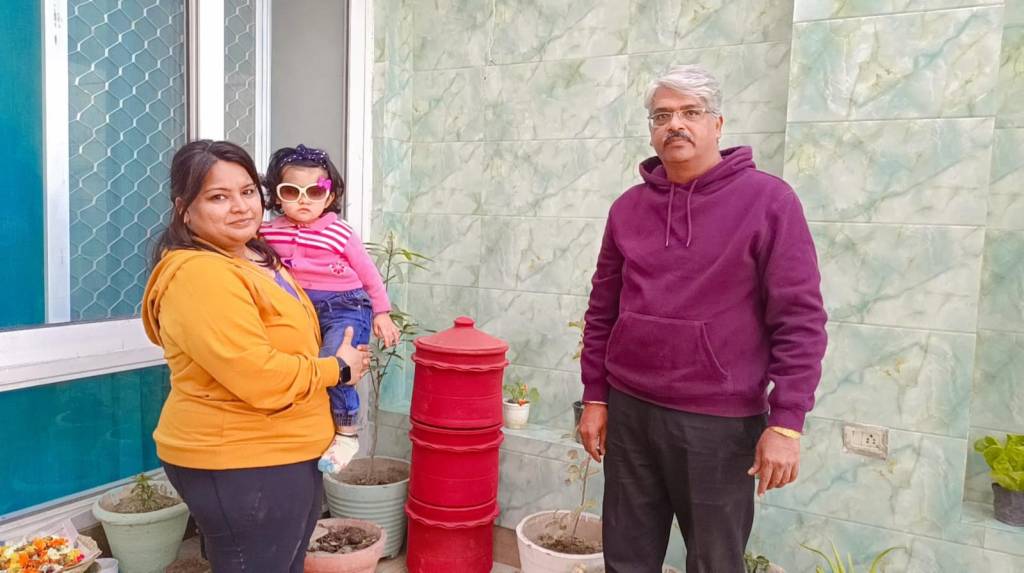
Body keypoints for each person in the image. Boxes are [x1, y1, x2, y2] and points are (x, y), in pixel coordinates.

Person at [578, 64, 828, 572]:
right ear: (652, 129)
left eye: (690, 112)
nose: (675, 124)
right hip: (631, 412)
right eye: (662, 115)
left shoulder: (769, 202)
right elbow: (602, 309)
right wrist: (596, 397)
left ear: (717, 124)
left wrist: (787, 424)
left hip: (720, 422)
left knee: (715, 562)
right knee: (626, 559)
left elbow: (800, 320)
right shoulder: (627, 209)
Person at [141, 140, 370, 572]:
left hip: (288, 450)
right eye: (218, 197)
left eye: (247, 191)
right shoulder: (201, 275)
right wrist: (338, 368)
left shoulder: (256, 255)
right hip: (243, 458)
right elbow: (258, 375)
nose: (241, 207)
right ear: (184, 209)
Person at [259, 144, 400, 474]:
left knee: (338, 363)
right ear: (277, 196)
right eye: (292, 191)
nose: (303, 200)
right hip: (301, 309)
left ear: (330, 195)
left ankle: (347, 433)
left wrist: (382, 313)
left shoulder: (339, 231)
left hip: (345, 306)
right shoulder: (266, 232)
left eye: (315, 191)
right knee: (302, 366)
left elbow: (369, 273)